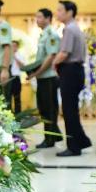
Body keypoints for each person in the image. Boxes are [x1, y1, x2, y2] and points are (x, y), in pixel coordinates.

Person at [53, 0, 92, 156]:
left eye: (60, 10)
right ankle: (81, 140)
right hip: (75, 71)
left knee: (69, 111)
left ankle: (74, 146)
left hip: (70, 70)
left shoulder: (69, 29)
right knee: (71, 109)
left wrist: (53, 63)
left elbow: (64, 53)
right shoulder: (75, 27)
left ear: (69, 12)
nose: (58, 13)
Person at [30, 8, 62, 149]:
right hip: (42, 77)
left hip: (49, 78)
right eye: (36, 17)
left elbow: (51, 56)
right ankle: (54, 135)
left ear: (48, 19)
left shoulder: (51, 34)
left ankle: (49, 139)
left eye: (40, 17)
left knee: (49, 109)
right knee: (43, 108)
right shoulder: (43, 34)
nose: (37, 20)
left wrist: (36, 73)